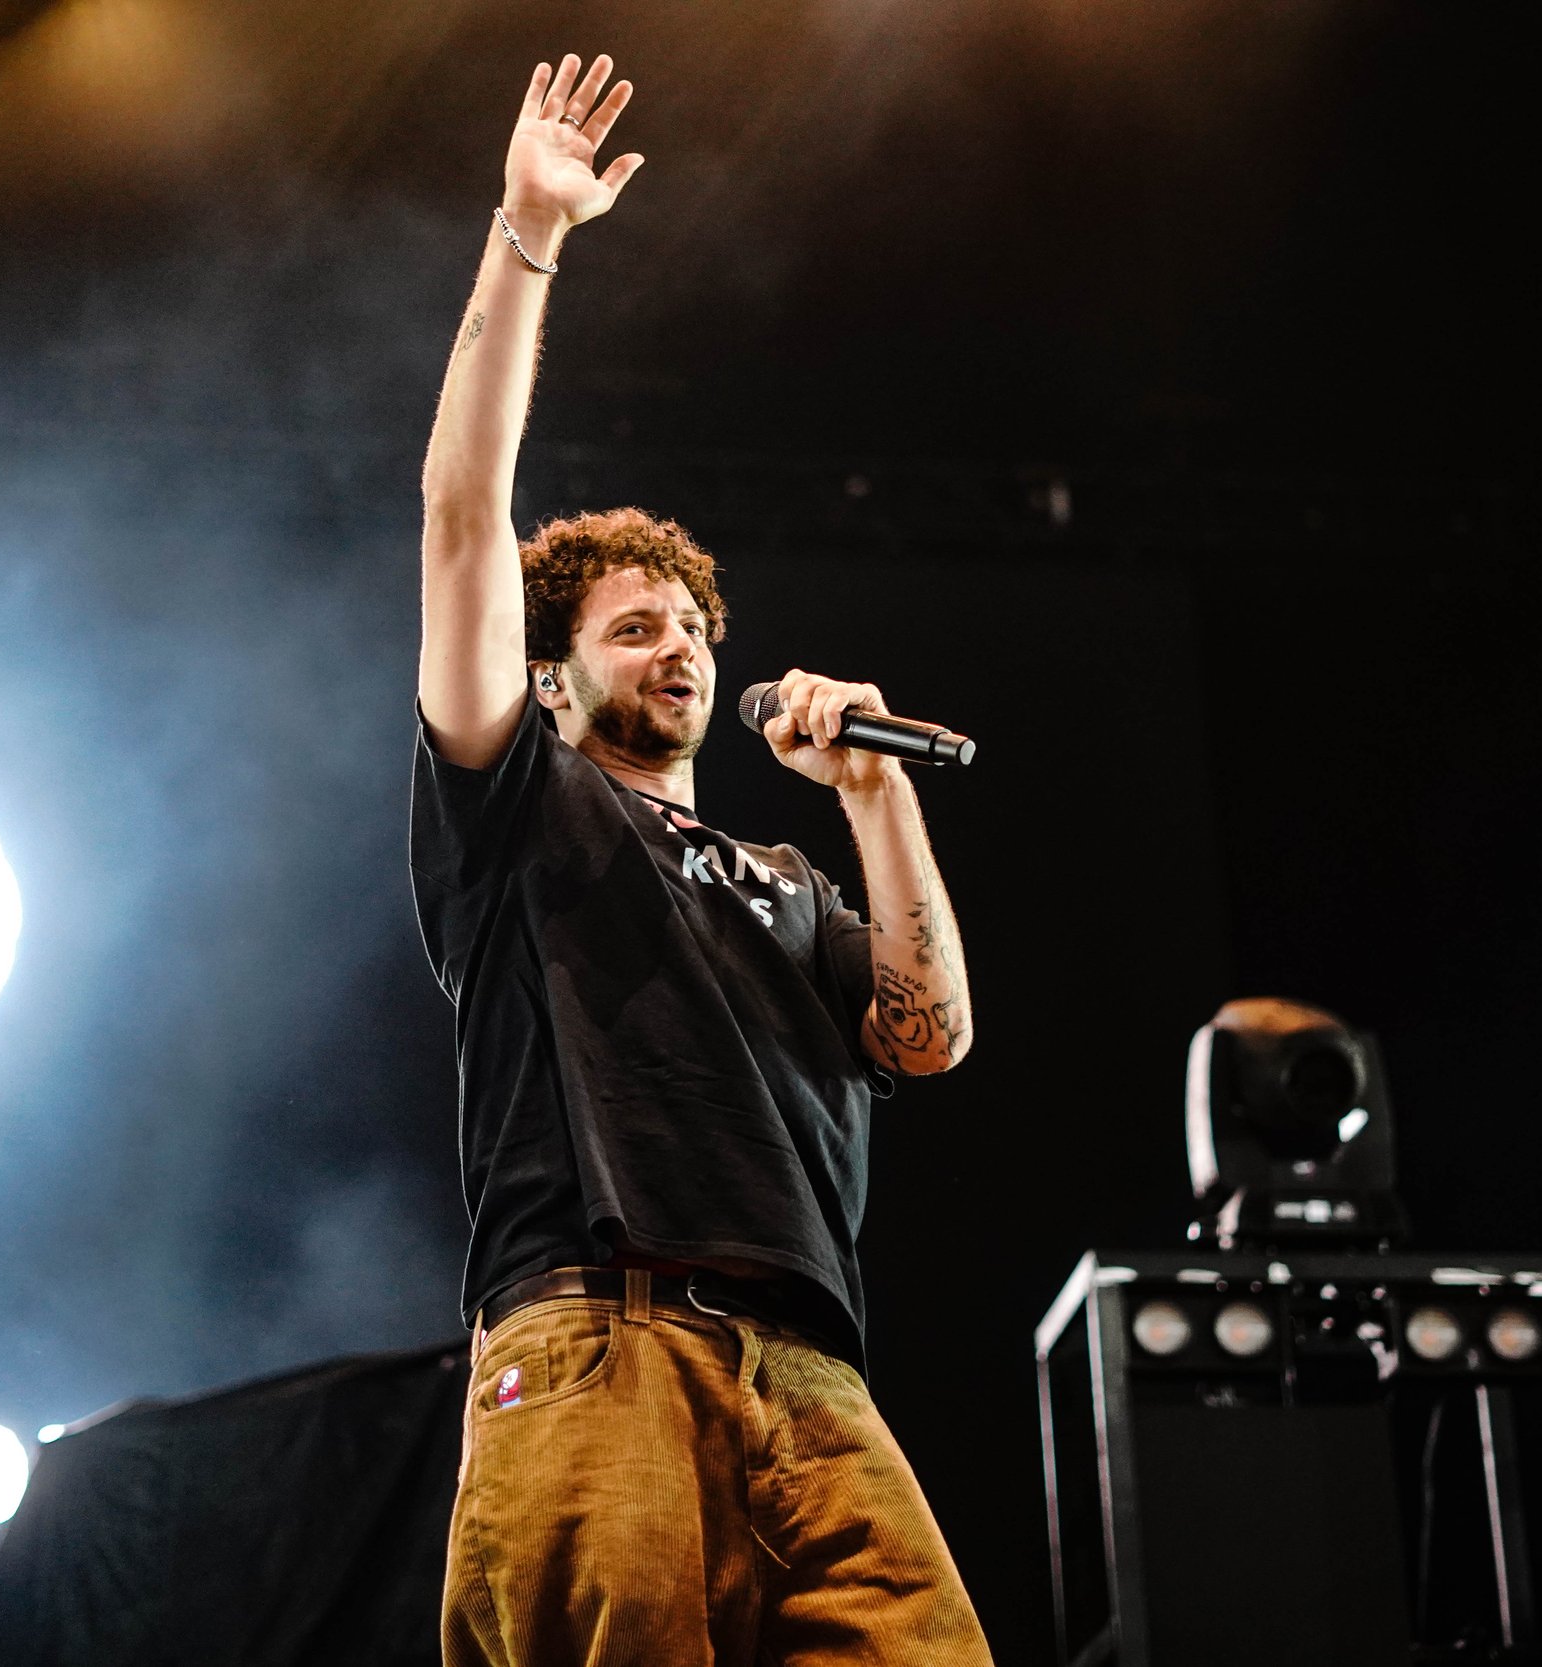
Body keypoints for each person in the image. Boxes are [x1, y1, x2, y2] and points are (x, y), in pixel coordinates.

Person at [409, 50, 994, 1667]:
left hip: (811, 1367)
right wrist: (528, 235)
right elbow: (465, 516)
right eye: (634, 626)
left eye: (691, 627)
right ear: (554, 674)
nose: (677, 647)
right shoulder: (519, 798)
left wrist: (873, 796)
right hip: (600, 1330)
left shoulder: (786, 878)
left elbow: (926, 1038)